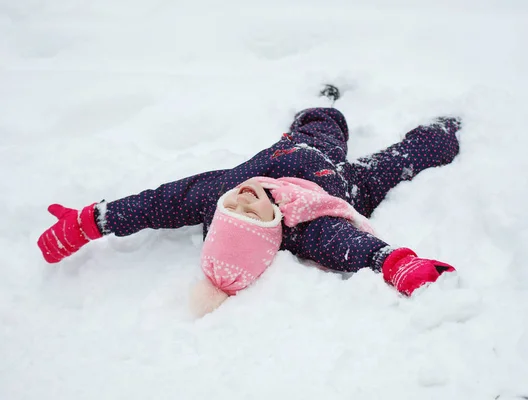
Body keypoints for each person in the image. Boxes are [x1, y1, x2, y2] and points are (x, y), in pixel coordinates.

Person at [37, 97, 461, 316]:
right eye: (251, 212)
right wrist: (396, 264)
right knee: (403, 160)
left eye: (233, 208)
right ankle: (447, 129)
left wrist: (90, 221)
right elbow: (346, 245)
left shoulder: (213, 193)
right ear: (272, 228)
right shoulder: (306, 224)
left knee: (321, 119)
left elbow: (153, 204)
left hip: (295, 148)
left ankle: (322, 99)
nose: (242, 199)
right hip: (342, 184)